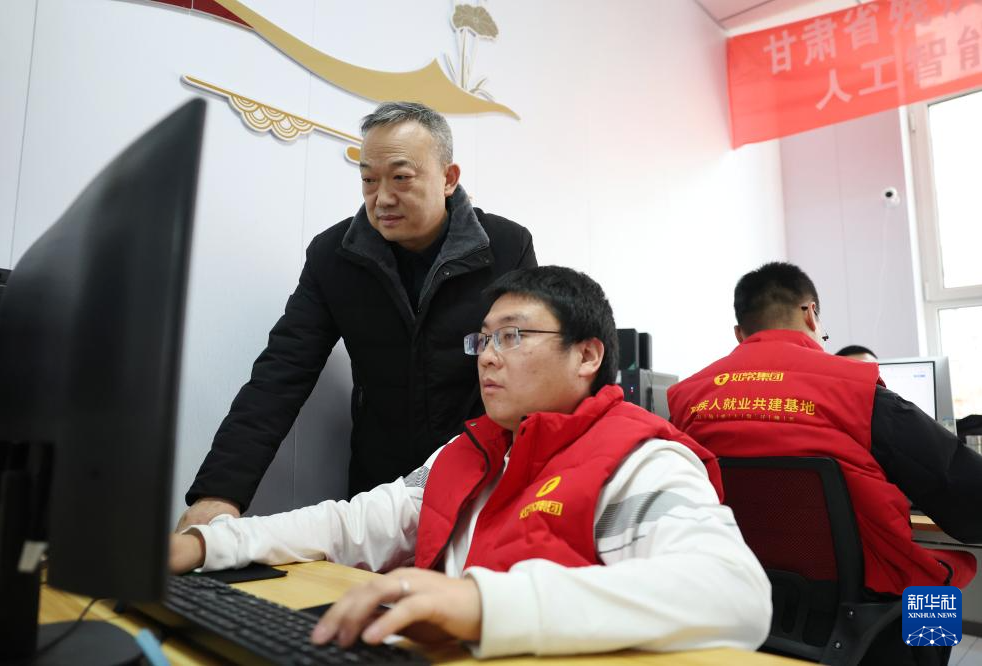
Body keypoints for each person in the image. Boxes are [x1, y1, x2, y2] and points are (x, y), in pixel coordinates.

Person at [170, 266, 772, 658]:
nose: (486, 357)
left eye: (512, 336)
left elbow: (734, 592)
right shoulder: (470, 450)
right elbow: (351, 524)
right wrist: (206, 544)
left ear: (587, 355)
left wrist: (482, 604)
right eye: (482, 339)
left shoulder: (641, 459)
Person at [178, 102, 537, 530]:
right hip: (379, 490)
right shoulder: (334, 257)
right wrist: (218, 493)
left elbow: (532, 372)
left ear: (448, 178)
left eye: (401, 178)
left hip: (484, 478)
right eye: (369, 180)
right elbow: (281, 373)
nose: (381, 198)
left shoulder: (505, 247)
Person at [667, 262, 982, 666]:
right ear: (811, 314)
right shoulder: (856, 386)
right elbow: (969, 497)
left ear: (740, 333)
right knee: (936, 582)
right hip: (866, 614)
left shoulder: (685, 400)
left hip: (746, 603)